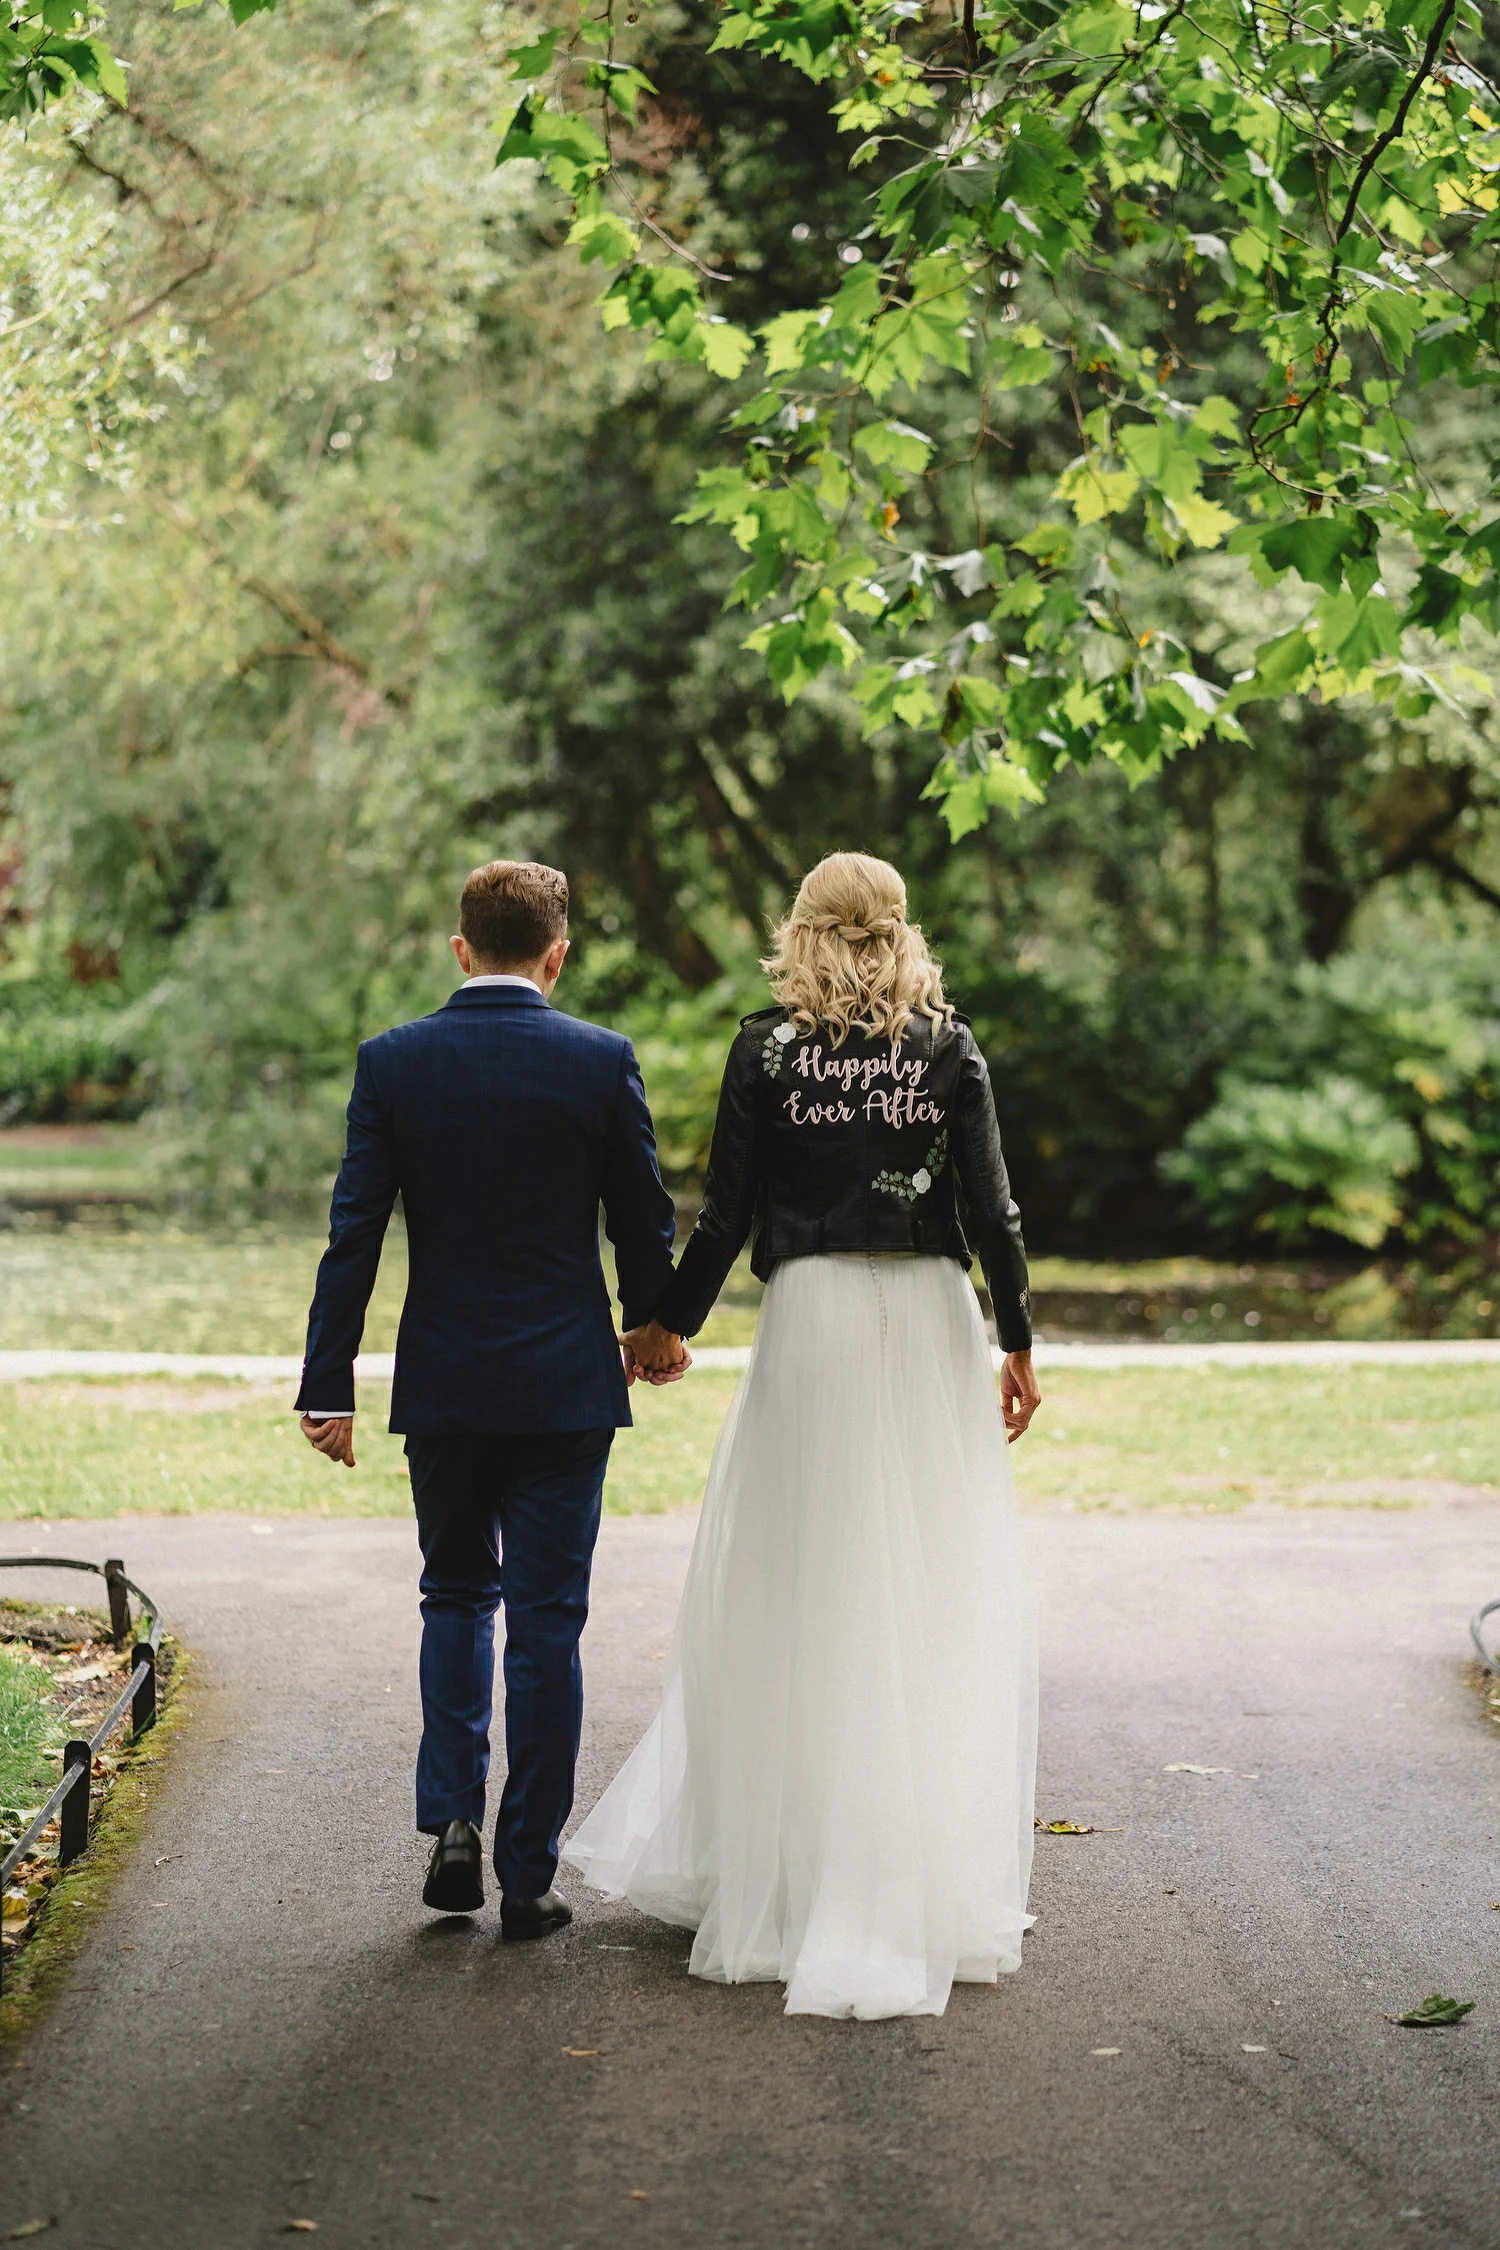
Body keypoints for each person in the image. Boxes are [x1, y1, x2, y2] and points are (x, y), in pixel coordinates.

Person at [564, 851, 1041, 2019]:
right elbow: (991, 1209)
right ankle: (903, 1870)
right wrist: (1018, 1339)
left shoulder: (765, 1050)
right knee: (918, 1587)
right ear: (901, 929)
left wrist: (666, 1323)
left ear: (804, 930)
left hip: (817, 1316)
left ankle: (794, 1869)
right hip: (930, 1317)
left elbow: (725, 1213)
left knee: (804, 1584)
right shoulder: (948, 1048)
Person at [296, 859, 688, 1939]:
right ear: (555, 956)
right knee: (550, 1628)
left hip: (448, 1384)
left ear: (460, 950)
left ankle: (450, 1822)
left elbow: (354, 1235)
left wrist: (327, 1385)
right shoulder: (602, 1062)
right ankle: (528, 1875)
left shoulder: (395, 1064)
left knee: (456, 1597)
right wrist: (652, 1328)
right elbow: (642, 1220)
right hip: (566, 1386)